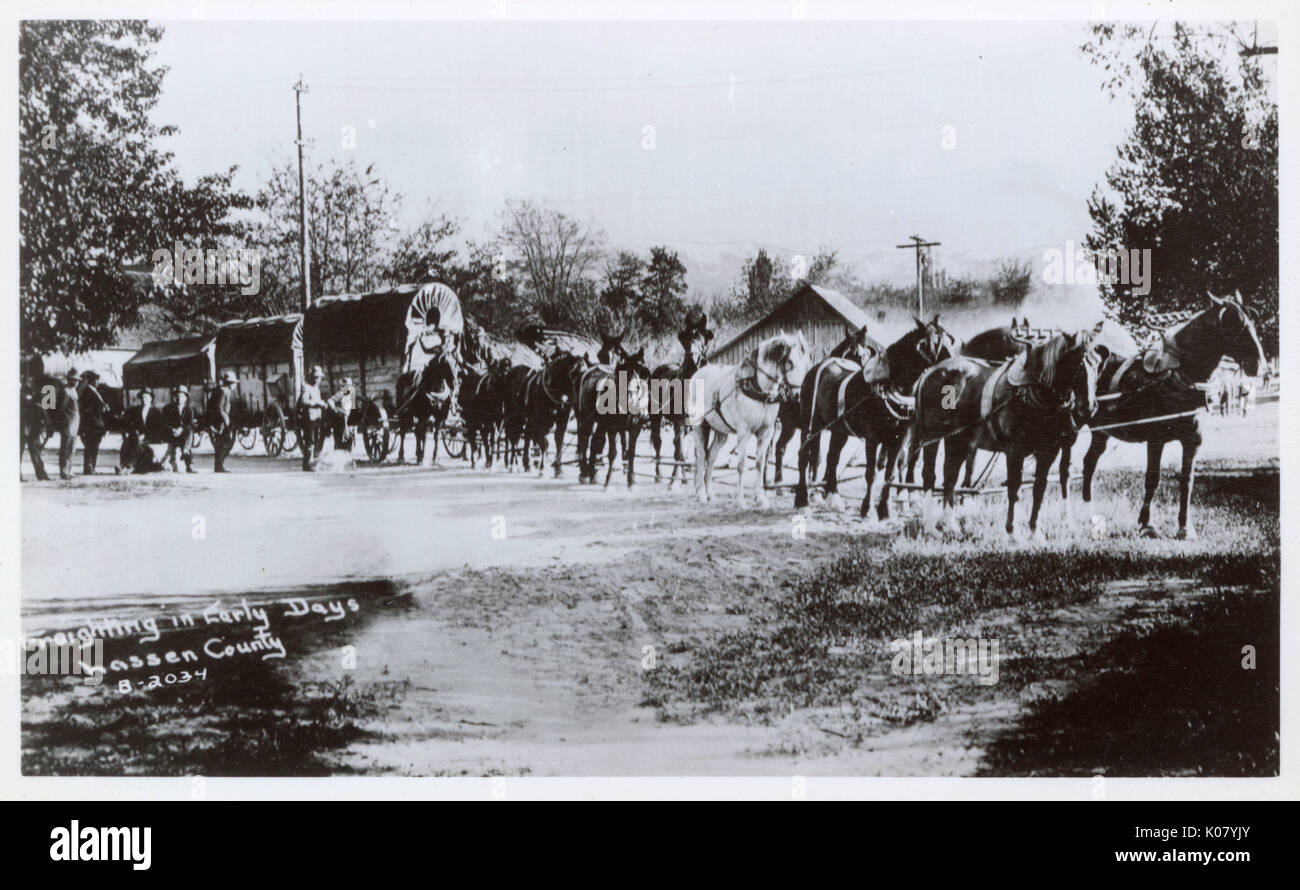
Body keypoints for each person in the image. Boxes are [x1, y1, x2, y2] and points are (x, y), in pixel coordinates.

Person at [119, 388, 163, 474]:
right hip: (138, 436)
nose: (144, 399)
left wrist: (145, 435)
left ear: (151, 399)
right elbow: (126, 423)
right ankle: (123, 464)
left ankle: (128, 466)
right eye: (142, 397)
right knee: (127, 442)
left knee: (140, 445)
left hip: (152, 437)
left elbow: (157, 429)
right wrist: (134, 431)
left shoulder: (156, 412)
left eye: (146, 397)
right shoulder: (135, 410)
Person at [78, 371, 109, 475]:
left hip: (95, 424)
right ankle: (89, 468)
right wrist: (98, 424)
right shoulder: (88, 392)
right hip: (91, 426)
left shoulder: (94, 391)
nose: (98, 382)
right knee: (91, 446)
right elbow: (88, 412)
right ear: (92, 381)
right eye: (96, 380)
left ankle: (91, 467)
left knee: (94, 446)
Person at [297, 366, 328, 471]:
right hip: (309, 419)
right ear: (312, 377)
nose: (318, 379)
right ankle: (307, 465)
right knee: (309, 441)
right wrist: (317, 403)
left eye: (319, 377)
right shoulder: (306, 387)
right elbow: (304, 401)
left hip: (316, 418)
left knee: (315, 441)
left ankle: (313, 463)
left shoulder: (316, 388)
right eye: (316, 377)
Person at [160, 385, 197, 472]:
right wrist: (172, 429)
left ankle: (188, 462)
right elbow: (164, 423)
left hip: (183, 436)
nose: (179, 398)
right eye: (177, 396)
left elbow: (190, 424)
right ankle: (188, 459)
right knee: (186, 438)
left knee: (189, 432)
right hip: (171, 435)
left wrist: (181, 429)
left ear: (185, 398)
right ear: (174, 397)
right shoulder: (167, 409)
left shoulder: (189, 410)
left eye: (182, 396)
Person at [20, 376, 50, 481]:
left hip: (31, 428)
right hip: (24, 428)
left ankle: (41, 474)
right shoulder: (23, 394)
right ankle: (40, 474)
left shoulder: (31, 394)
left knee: (35, 451)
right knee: (22, 452)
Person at [207, 371, 237, 473]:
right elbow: (219, 407)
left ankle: (218, 465)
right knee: (225, 442)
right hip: (219, 420)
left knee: (220, 443)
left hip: (216, 420)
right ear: (231, 383)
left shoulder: (220, 389)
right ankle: (219, 466)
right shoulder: (225, 391)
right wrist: (226, 419)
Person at [55, 370, 80, 480]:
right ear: (68, 380)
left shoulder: (74, 391)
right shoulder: (66, 391)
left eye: (76, 380)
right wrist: (61, 422)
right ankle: (64, 471)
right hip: (68, 423)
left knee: (71, 449)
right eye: (72, 380)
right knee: (65, 448)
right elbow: (61, 408)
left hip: (74, 424)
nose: (75, 382)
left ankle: (68, 470)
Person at [328, 376, 356, 450]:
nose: (348, 388)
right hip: (339, 418)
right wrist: (335, 409)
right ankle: (338, 453)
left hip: (347, 419)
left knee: (349, 437)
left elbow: (352, 408)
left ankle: (347, 453)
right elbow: (330, 401)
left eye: (349, 386)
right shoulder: (340, 394)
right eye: (345, 386)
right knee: (339, 437)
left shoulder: (351, 395)